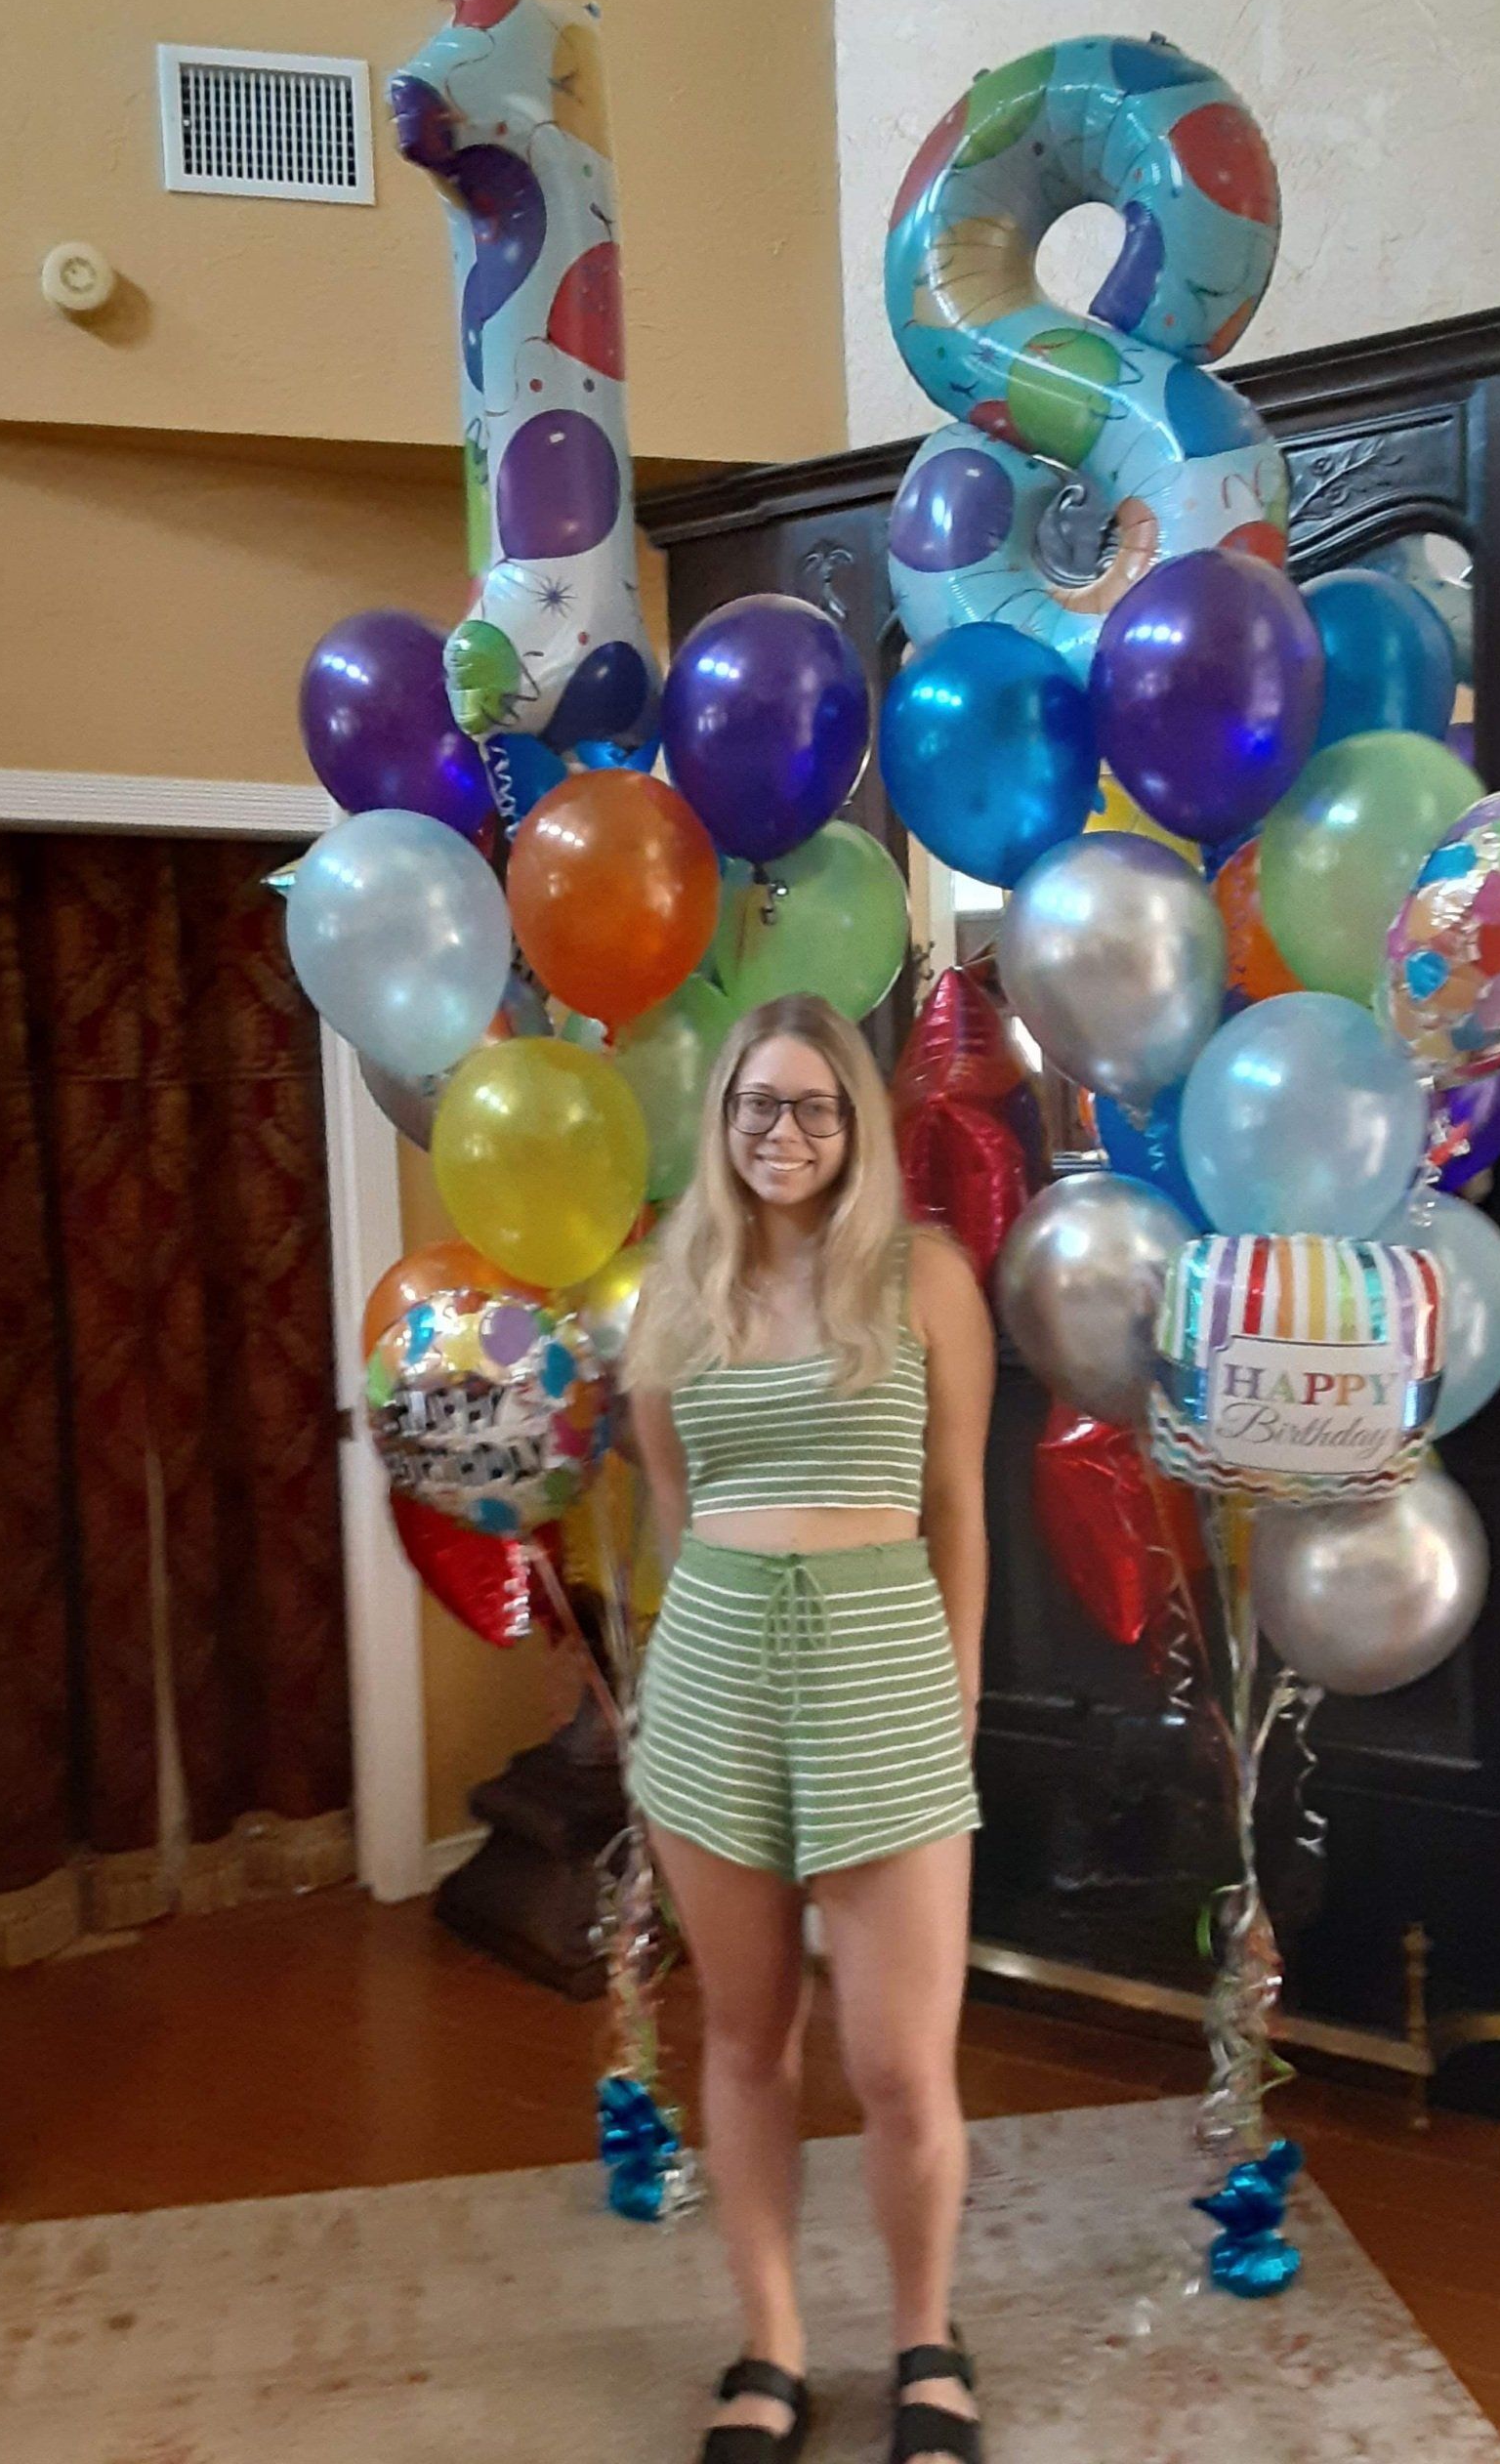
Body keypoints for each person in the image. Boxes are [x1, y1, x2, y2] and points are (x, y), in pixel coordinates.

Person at [626, 991, 995, 2464]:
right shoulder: (676, 1289)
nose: (784, 1133)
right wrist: (685, 1664)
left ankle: (925, 2339)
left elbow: (960, 1507)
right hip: (714, 1687)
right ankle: (770, 2349)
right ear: (724, 1124)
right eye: (757, 1107)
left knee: (902, 2063)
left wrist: (955, 1694)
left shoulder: (926, 1281)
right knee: (746, 2035)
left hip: (883, 1681)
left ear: (857, 1127)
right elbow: (673, 1509)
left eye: (814, 1107)